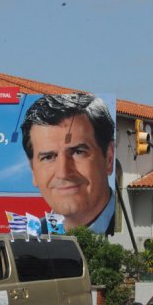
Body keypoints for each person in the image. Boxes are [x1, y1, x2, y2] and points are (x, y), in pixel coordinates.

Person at [21, 93, 116, 235]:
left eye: (78, 152)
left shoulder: (126, 226)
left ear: (108, 158)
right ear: (33, 170)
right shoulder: (30, 238)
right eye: (48, 157)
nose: (63, 173)